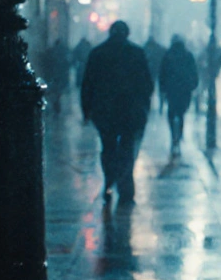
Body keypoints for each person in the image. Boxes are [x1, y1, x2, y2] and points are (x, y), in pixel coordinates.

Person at [81, 21, 153, 202]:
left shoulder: (98, 53)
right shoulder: (136, 53)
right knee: (127, 148)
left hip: (104, 110)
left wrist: (86, 109)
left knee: (108, 147)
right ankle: (125, 184)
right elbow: (147, 85)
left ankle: (109, 179)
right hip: (130, 110)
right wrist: (144, 106)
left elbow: (87, 83)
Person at [158, 35, 199, 158]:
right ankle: (179, 135)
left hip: (172, 90)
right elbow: (194, 73)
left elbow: (162, 74)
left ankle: (173, 136)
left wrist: (163, 89)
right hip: (184, 90)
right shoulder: (188, 55)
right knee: (181, 114)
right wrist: (192, 86)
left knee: (171, 112)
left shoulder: (168, 55)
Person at [41, 38, 72, 116]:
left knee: (54, 91)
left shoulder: (51, 51)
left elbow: (46, 64)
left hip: (53, 75)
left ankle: (55, 106)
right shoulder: (64, 52)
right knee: (57, 91)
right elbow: (67, 64)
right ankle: (56, 106)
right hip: (59, 75)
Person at [143, 35, 167, 113]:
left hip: (150, 71)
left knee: (150, 88)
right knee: (160, 88)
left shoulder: (145, 48)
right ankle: (161, 104)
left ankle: (149, 104)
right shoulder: (160, 49)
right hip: (159, 70)